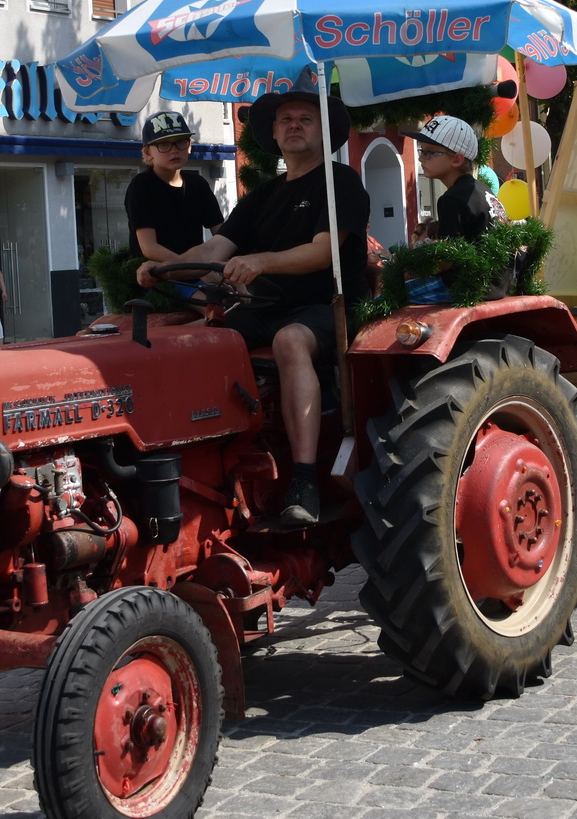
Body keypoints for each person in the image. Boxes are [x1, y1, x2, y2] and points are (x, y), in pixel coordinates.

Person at [139, 91, 370, 527]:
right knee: (204, 343)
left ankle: (304, 480)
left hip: (329, 306)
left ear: (324, 131)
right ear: (273, 133)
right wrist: (164, 269)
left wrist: (260, 261)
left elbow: (323, 253)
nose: (294, 125)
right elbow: (215, 249)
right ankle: (203, 455)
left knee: (289, 340)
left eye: (305, 118)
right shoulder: (262, 195)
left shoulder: (341, 182)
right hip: (264, 305)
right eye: (285, 120)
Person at [124, 111, 225, 265]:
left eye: (181, 142)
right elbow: (149, 248)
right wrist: (196, 270)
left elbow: (222, 236)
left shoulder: (198, 184)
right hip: (155, 275)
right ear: (147, 152)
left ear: (189, 146)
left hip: (195, 271)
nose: (174, 149)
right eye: (164, 144)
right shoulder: (141, 186)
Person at [404, 114, 506, 242]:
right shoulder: (482, 188)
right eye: (421, 150)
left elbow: (449, 259)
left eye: (429, 152)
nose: (420, 158)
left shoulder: (452, 199)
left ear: (457, 159)